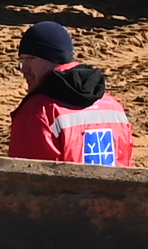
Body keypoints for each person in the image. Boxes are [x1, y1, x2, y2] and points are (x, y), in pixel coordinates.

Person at [8, 20, 133, 164]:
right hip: (111, 187)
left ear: (53, 59)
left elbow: (30, 177)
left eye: (30, 59)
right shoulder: (113, 106)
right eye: (22, 60)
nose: (23, 68)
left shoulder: (39, 110)